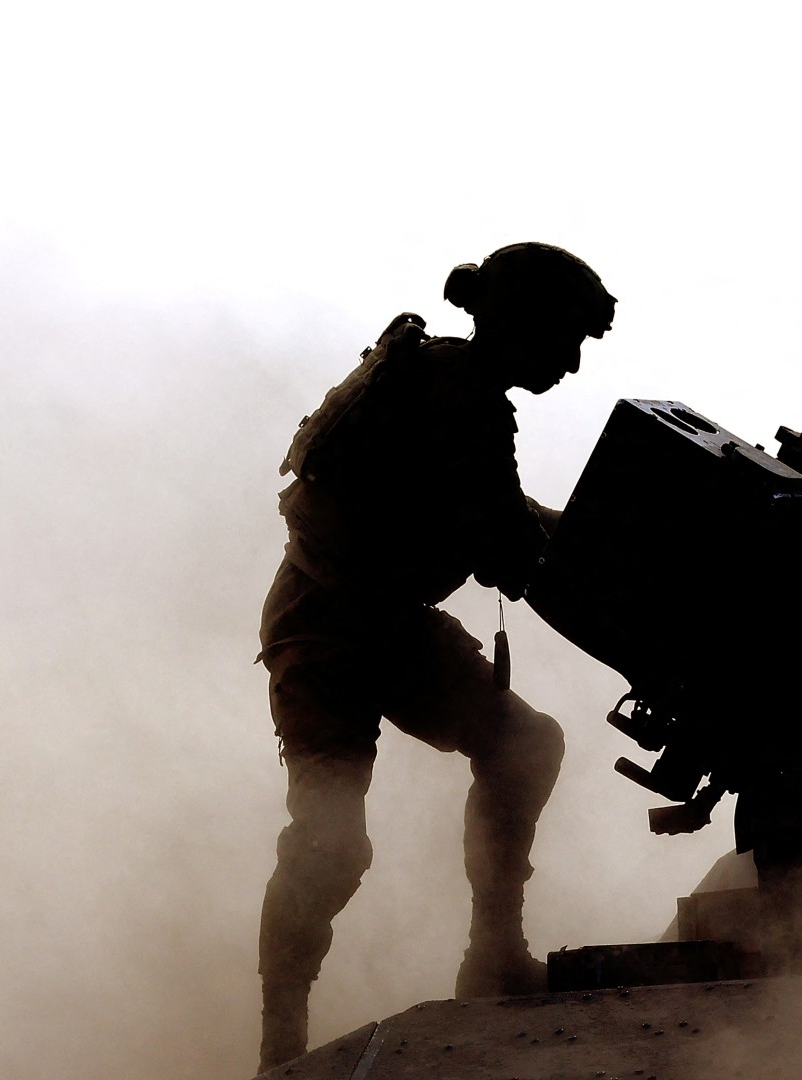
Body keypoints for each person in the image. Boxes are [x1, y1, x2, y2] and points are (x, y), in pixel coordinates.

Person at [254, 243, 616, 1072]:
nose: (572, 360)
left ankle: (492, 955)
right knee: (332, 842)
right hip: (325, 634)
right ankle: (280, 1040)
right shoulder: (457, 393)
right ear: (521, 327)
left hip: (386, 628)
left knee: (523, 745)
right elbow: (506, 548)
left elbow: (495, 509)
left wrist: (583, 538)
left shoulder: (457, 385)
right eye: (567, 338)